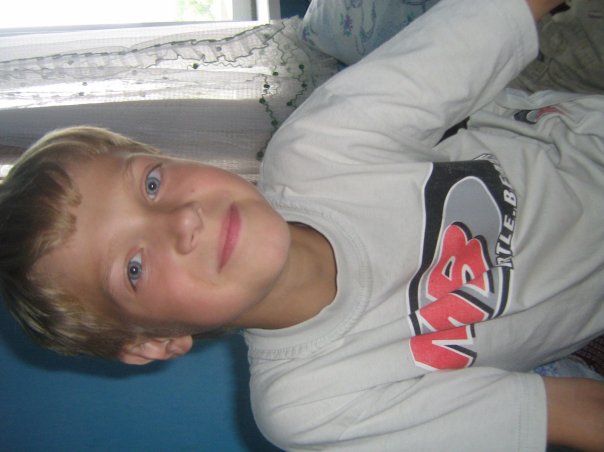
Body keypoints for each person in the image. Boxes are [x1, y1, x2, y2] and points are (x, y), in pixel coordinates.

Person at [1, 0, 603, 450]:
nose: (181, 219)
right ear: (152, 342)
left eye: (151, 184)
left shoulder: (319, 147)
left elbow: (496, 19)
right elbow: (576, 412)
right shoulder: (311, 405)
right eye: (134, 268)